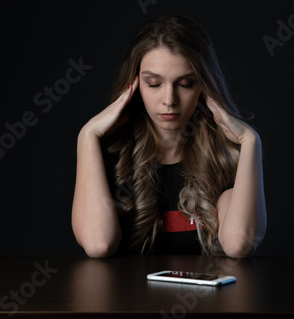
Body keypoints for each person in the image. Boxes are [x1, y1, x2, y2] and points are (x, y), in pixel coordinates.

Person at [71, 14, 267, 258]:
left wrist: (251, 141)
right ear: (134, 86)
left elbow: (239, 245)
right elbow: (98, 244)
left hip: (204, 298)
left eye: (185, 83)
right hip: (127, 297)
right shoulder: (112, 156)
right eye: (154, 83)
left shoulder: (224, 160)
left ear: (204, 87)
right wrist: (87, 135)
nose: (169, 100)